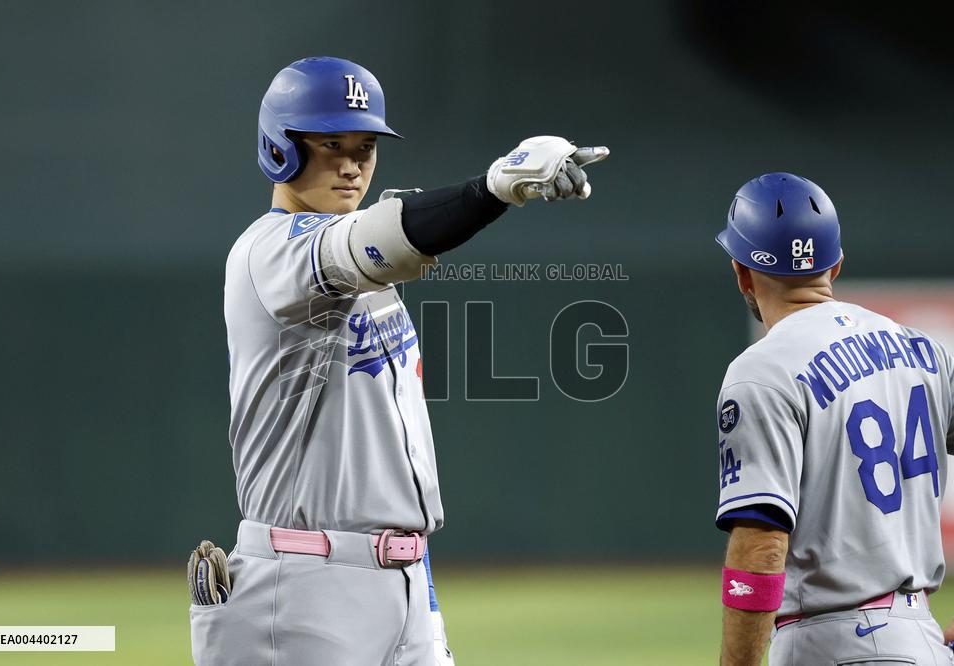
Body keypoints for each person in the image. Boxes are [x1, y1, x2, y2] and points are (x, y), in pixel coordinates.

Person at [187, 56, 608, 666]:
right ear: (281, 147)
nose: (353, 162)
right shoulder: (268, 253)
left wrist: (421, 597)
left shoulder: (369, 278)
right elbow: (381, 237)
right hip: (302, 585)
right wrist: (492, 189)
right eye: (331, 142)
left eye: (366, 145)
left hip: (402, 583)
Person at [712, 172, 954, 665]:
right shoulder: (924, 350)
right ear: (836, 265)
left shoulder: (760, 371)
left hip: (829, 645)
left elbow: (761, 544)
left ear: (741, 272)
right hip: (922, 639)